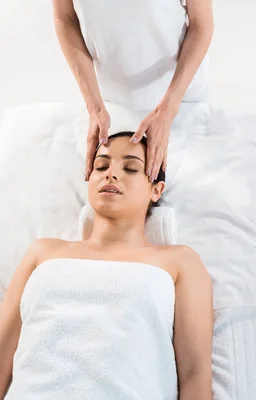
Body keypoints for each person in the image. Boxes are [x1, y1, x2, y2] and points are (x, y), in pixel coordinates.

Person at [0, 132, 214, 399]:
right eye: (101, 166)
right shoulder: (43, 252)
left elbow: (195, 372)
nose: (111, 173)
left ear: (156, 190)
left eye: (131, 168)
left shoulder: (179, 261)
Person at [51, 0, 214, 182]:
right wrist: (93, 105)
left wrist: (169, 108)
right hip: (112, 100)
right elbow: (65, 19)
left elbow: (201, 23)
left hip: (179, 95)